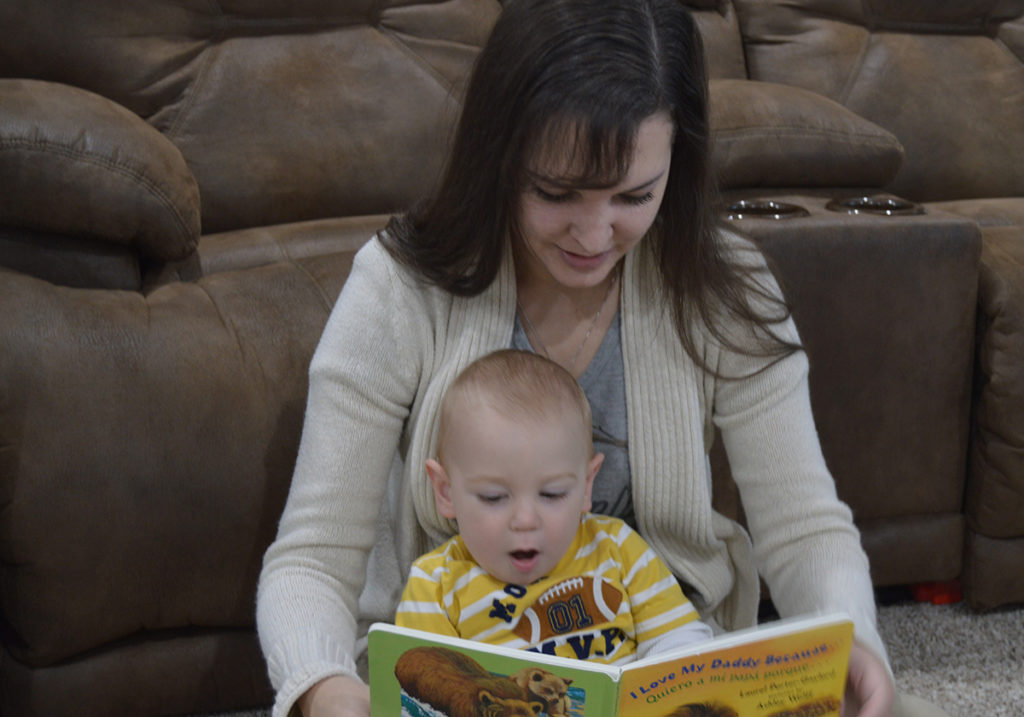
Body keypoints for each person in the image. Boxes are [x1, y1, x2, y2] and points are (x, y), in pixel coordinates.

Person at [256, 1, 935, 716]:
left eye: (634, 195)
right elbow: (310, 559)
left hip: (674, 663)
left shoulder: (723, 285)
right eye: (556, 191)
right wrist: (325, 688)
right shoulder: (398, 288)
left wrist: (853, 643)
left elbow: (804, 528)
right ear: (500, 158)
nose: (594, 232)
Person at [394, 348, 714, 661]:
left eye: (552, 494)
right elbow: (422, 689)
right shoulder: (436, 586)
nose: (525, 520)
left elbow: (680, 645)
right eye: (493, 497)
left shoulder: (617, 549)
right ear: (446, 492)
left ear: (586, 486)